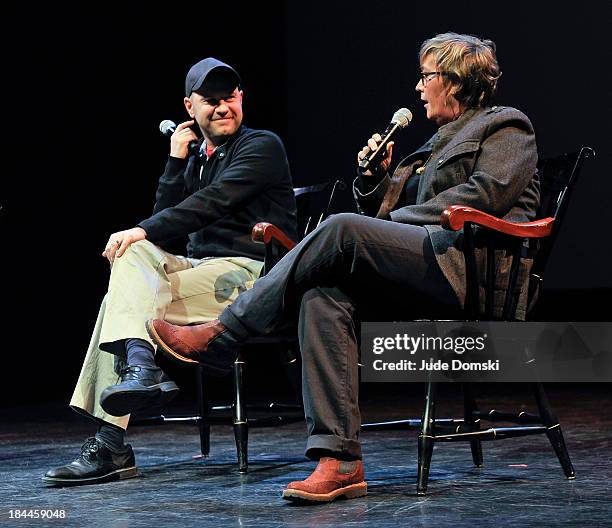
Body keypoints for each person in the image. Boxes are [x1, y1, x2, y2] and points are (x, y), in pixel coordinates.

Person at [147, 33, 540, 502]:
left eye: (426, 77)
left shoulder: (507, 127)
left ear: (454, 81)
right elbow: (383, 216)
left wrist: (379, 223)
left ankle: (222, 333)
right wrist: (375, 180)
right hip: (427, 264)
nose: (418, 88)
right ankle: (340, 461)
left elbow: (482, 198)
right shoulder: (434, 143)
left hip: (470, 272)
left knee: (340, 229)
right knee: (322, 292)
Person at [43, 58, 297, 486]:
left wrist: (140, 229)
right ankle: (141, 369)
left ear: (242, 98)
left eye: (229, 98)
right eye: (210, 101)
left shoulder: (262, 146)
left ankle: (113, 440)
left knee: (118, 300)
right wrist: (177, 161)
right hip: (198, 269)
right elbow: (164, 224)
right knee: (133, 258)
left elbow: (210, 203)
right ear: (189, 107)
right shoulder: (196, 157)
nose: (222, 108)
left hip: (252, 274)